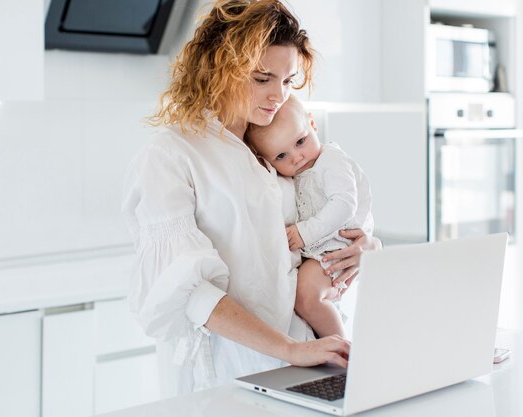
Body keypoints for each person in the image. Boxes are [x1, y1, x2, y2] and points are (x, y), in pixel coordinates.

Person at [121, 0, 382, 397]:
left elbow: (323, 223)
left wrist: (364, 246)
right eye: (262, 78)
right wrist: (289, 349)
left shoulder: (275, 148)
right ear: (218, 68)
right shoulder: (172, 155)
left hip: (307, 362)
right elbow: (191, 293)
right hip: (231, 373)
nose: (278, 95)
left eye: (288, 81)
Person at [246, 95, 374, 339]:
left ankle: (342, 351)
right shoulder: (296, 172)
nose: (296, 157)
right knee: (308, 295)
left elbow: (345, 204)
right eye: (281, 156)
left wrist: (304, 233)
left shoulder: (331, 160)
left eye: (300, 141)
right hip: (320, 248)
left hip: (337, 245)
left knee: (306, 294)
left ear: (312, 124)